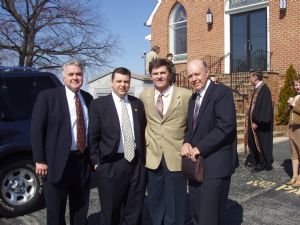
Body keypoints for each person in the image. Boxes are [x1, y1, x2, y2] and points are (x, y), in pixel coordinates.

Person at [31, 60, 93, 225]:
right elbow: (37, 129)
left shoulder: (88, 98)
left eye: (78, 74)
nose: (75, 77)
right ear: (63, 77)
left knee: (80, 207)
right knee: (55, 210)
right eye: (71, 74)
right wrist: (40, 159)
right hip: (56, 163)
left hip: (82, 162)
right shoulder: (48, 97)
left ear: (83, 76)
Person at [181, 59, 237, 225]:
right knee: (196, 214)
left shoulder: (221, 93)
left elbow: (225, 127)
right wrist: (186, 142)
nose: (194, 78)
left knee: (209, 217)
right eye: (190, 75)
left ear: (206, 73)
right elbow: (191, 129)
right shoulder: (193, 99)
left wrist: (200, 148)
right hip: (196, 166)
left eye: (197, 74)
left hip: (215, 166)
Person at [89, 67, 146, 225]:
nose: (123, 85)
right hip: (110, 164)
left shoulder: (137, 104)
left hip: (136, 163)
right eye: (119, 81)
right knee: (110, 211)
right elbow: (93, 136)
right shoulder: (99, 104)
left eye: (126, 81)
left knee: (134, 208)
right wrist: (96, 162)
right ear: (111, 82)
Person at [139, 58, 191, 225]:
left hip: (176, 154)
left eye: (162, 73)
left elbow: (192, 125)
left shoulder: (185, 95)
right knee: (155, 197)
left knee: (176, 198)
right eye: (155, 73)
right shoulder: (144, 95)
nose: (159, 76)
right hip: (152, 155)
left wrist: (188, 142)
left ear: (169, 74)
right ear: (151, 75)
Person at [245, 70, 274, 172]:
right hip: (254, 122)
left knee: (260, 143)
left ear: (255, 77)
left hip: (260, 124)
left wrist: (257, 121)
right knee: (253, 142)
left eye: (251, 77)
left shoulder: (264, 90)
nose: (250, 79)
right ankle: (256, 160)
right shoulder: (257, 89)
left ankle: (262, 163)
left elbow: (263, 108)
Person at [286, 76, 300, 187]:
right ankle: (294, 176)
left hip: (299, 127)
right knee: (294, 153)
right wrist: (289, 105)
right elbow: (288, 113)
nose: (297, 87)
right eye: (296, 85)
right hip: (292, 128)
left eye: (299, 84)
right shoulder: (294, 97)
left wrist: (294, 105)